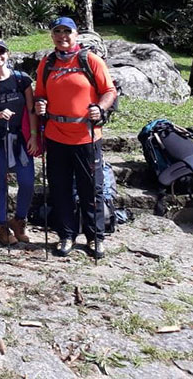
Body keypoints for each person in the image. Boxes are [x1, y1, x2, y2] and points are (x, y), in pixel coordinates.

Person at [34, 17, 117, 259]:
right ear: (52, 37)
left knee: (91, 189)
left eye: (67, 32)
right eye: (57, 32)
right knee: (60, 189)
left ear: (76, 34)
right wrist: (40, 104)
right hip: (56, 136)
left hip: (86, 138)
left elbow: (109, 91)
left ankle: (95, 237)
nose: (62, 36)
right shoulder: (47, 63)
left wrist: (100, 109)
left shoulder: (90, 60)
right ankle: (66, 234)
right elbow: (40, 93)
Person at [0, 38, 39, 246]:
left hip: (21, 139)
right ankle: (2, 227)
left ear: (7, 53)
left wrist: (33, 135)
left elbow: (31, 110)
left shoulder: (22, 80)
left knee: (27, 181)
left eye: (1, 52)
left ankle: (19, 220)